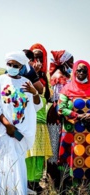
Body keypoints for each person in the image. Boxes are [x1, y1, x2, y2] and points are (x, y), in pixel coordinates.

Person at [0, 51, 43, 194]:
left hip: (20, 131)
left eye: (15, 65)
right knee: (4, 162)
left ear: (21, 66)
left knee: (18, 163)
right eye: (9, 64)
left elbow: (36, 106)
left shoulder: (26, 82)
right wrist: (7, 125)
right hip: (4, 130)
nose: (12, 66)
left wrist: (34, 92)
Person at [57, 60, 90, 186]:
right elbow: (61, 108)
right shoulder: (67, 89)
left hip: (88, 132)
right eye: (79, 70)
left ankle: (85, 187)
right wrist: (79, 116)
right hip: (72, 131)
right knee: (73, 157)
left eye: (84, 71)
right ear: (74, 71)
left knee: (87, 158)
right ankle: (72, 187)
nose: (81, 73)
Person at [25, 43, 52, 191]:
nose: (38, 61)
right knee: (30, 152)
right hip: (30, 119)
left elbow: (47, 96)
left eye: (40, 57)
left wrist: (40, 77)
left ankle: (36, 182)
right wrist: (33, 75)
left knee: (39, 154)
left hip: (42, 120)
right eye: (34, 57)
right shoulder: (26, 74)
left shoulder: (44, 76)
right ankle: (28, 182)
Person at [46, 50, 74, 186]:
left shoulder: (66, 75)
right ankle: (55, 180)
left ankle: (61, 179)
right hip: (57, 116)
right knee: (55, 147)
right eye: (70, 62)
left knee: (61, 147)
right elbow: (57, 98)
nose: (72, 64)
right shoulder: (59, 77)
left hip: (62, 115)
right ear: (63, 62)